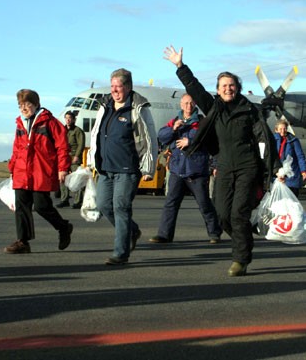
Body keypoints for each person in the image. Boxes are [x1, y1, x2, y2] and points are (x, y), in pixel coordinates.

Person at [164, 45, 280, 277]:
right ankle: (244, 239)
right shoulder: (214, 108)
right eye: (224, 86)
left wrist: (275, 168)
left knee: (238, 213)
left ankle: (240, 259)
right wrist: (180, 66)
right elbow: (195, 89)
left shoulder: (250, 111)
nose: (228, 88)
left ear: (238, 88)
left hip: (247, 167)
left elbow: (264, 138)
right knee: (222, 214)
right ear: (218, 90)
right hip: (224, 166)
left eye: (232, 85)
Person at [88, 68, 157, 265]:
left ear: (128, 87)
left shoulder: (138, 109)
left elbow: (149, 139)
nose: (114, 90)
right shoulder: (105, 106)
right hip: (105, 168)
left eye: (118, 86)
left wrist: (148, 168)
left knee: (121, 207)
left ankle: (120, 253)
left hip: (127, 169)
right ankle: (132, 231)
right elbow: (95, 134)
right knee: (103, 205)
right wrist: (92, 160)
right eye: (112, 86)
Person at [6, 89, 73, 254]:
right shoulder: (20, 124)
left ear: (36, 104)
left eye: (27, 104)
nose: (23, 108)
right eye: (20, 105)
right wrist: (12, 168)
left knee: (42, 206)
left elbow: (62, 147)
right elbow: (17, 148)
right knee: (22, 207)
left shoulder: (50, 123)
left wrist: (63, 168)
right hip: (22, 172)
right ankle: (23, 242)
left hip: (41, 172)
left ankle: (63, 227)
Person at [150, 94, 222, 244]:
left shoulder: (202, 122)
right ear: (181, 105)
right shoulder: (174, 121)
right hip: (177, 169)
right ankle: (164, 234)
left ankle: (214, 232)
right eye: (186, 103)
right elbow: (162, 136)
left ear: (195, 105)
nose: (189, 106)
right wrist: (173, 129)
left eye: (191, 103)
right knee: (171, 203)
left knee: (204, 204)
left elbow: (212, 142)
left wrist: (191, 142)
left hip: (196, 171)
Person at [56, 110, 85, 209]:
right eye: (66, 118)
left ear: (74, 120)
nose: (68, 120)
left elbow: (81, 144)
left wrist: (77, 156)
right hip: (64, 157)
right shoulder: (62, 130)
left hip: (73, 157)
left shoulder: (78, 131)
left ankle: (78, 201)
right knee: (62, 179)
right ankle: (64, 199)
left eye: (70, 118)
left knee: (76, 179)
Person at [273, 119, 306, 197]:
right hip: (276, 174)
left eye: (284, 128)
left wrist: (303, 170)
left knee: (291, 200)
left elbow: (300, 156)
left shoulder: (293, 141)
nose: (283, 131)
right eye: (280, 129)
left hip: (291, 174)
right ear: (276, 130)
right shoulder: (273, 141)